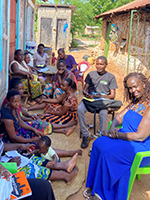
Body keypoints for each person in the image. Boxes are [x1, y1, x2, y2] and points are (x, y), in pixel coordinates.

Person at [84, 72, 150, 200]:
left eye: (135, 86)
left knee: (109, 152)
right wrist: (113, 127)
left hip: (141, 146)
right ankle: (96, 184)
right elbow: (119, 116)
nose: (133, 91)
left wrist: (117, 135)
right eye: (130, 88)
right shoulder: (136, 102)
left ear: (144, 84)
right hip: (127, 138)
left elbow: (140, 136)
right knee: (98, 144)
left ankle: (103, 194)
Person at [77, 56, 118, 148]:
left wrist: (102, 95)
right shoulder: (91, 74)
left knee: (103, 114)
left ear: (106, 65)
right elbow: (84, 90)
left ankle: (101, 137)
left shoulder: (111, 77)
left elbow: (112, 96)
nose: (99, 66)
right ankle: (86, 134)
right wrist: (87, 94)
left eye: (101, 64)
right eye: (97, 64)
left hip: (102, 101)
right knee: (80, 109)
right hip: (90, 100)